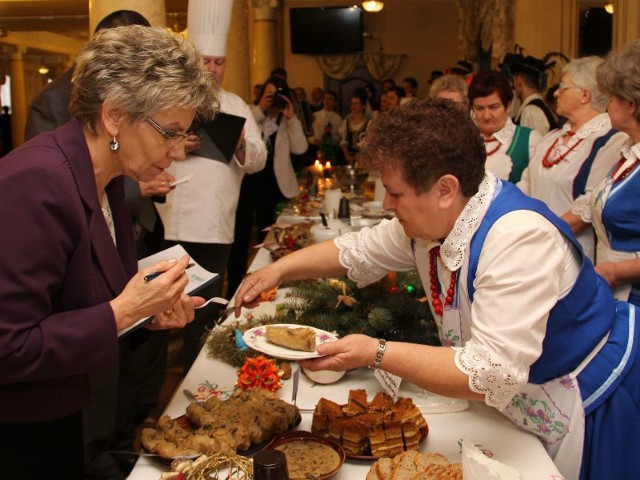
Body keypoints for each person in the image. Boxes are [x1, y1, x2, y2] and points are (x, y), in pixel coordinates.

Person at [234, 98, 640, 480]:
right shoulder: (434, 220)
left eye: (395, 193)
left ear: (445, 189)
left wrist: (375, 352)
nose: (388, 206)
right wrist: (278, 272)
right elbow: (357, 249)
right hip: (525, 398)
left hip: (590, 401)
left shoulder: (518, 238)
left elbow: (489, 371)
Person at [0, 25, 216, 480]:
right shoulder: (34, 183)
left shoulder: (111, 177)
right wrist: (122, 312)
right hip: (23, 430)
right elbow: (8, 346)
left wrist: (148, 312)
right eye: (169, 133)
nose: (177, 152)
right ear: (115, 115)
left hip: (72, 409)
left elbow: (84, 299)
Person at [156, 0, 267, 370]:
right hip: (168, 224)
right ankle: (149, 391)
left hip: (215, 226)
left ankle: (196, 376)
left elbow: (258, 158)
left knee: (202, 312)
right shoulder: (169, 100)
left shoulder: (235, 105)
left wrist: (234, 140)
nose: (213, 69)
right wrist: (175, 145)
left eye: (219, 62)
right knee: (158, 311)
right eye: (205, 61)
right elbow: (141, 151)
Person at [518, 56, 628, 263]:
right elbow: (525, 185)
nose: (556, 93)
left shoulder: (611, 139)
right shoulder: (552, 138)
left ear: (585, 95)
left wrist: (544, 234)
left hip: (572, 251)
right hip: (534, 246)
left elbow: (588, 205)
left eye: (562, 87)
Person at [562, 40, 640, 307]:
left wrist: (613, 271)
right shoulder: (625, 149)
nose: (607, 104)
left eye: (613, 97)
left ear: (630, 104)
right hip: (616, 293)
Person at [226, 76, 308, 295]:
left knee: (270, 241)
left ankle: (267, 289)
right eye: (268, 95)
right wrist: (261, 108)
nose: (272, 100)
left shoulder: (287, 120)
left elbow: (301, 148)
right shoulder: (250, 112)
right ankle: (234, 289)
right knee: (240, 239)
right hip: (247, 183)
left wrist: (291, 117)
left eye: (277, 96)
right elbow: (236, 132)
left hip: (274, 186)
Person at [468, 70, 542, 183]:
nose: (486, 116)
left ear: (508, 104)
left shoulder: (529, 139)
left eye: (493, 107)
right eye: (479, 108)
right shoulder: (465, 141)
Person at [511, 55, 557, 135]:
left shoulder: (531, 111)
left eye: (514, 80)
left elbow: (536, 145)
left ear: (519, 81)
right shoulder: (536, 107)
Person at [307, 90, 344, 165]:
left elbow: (340, 137)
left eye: (330, 99)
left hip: (331, 150)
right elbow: (309, 132)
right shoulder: (315, 115)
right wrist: (313, 140)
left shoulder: (338, 119)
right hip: (315, 148)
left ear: (335, 102)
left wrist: (329, 139)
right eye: (325, 98)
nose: (327, 101)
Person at [339, 92, 371, 166]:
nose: (353, 106)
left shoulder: (369, 123)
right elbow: (343, 141)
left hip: (363, 159)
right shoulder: (345, 122)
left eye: (356, 103)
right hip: (347, 157)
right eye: (352, 103)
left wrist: (361, 156)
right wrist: (347, 156)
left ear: (363, 106)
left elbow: (369, 143)